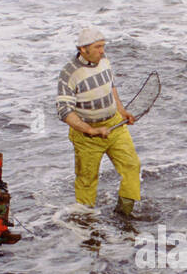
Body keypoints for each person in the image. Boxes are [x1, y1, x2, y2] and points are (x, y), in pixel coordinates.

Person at [55, 26, 139, 216]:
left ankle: (124, 214)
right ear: (83, 50)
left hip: (115, 126)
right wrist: (91, 130)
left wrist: (122, 110)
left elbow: (111, 87)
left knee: (132, 166)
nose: (102, 51)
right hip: (87, 136)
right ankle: (85, 222)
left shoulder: (104, 61)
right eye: (98, 47)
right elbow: (64, 111)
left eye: (103, 46)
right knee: (87, 180)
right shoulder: (69, 74)